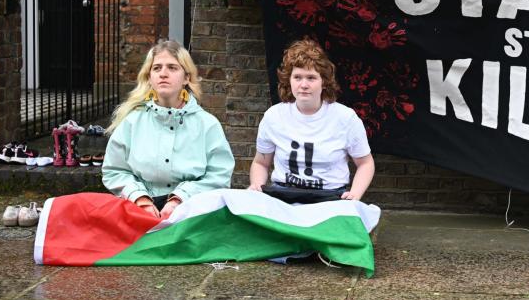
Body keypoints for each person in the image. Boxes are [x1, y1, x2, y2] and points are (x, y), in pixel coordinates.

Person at [102, 40, 235, 218]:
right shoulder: (131, 122)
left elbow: (219, 174)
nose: (163, 73)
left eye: (172, 68)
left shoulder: (207, 124)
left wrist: (180, 199)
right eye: (157, 68)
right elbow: (114, 170)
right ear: (149, 77)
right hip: (138, 211)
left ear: (186, 77)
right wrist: (140, 199)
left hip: (193, 211)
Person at [248, 37, 375, 202]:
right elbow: (261, 163)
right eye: (297, 77)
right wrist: (257, 185)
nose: (304, 84)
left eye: (311, 77)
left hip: (329, 197)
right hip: (283, 195)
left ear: (324, 82)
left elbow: (365, 163)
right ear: (289, 80)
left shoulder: (346, 118)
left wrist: (355, 194)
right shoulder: (273, 117)